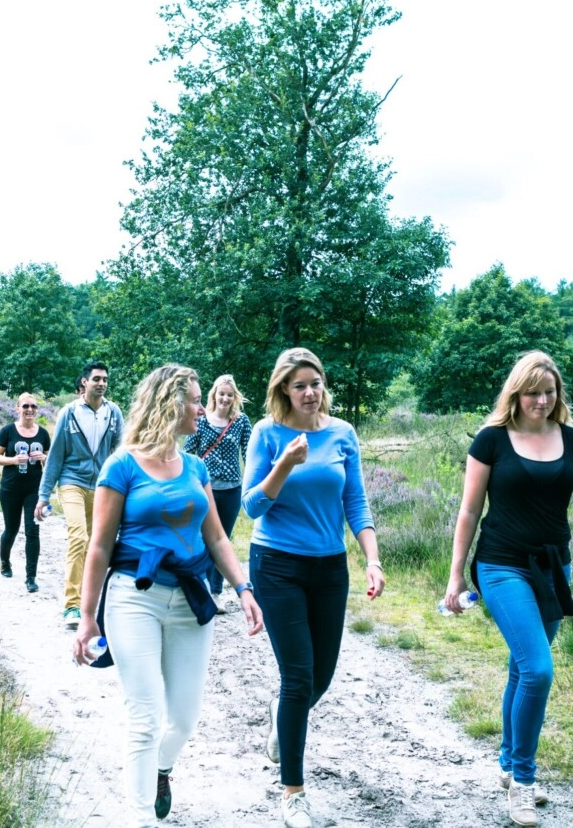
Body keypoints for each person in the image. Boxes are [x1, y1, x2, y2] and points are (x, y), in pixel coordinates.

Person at [72, 364, 264, 828]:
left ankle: (161, 770)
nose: (202, 408)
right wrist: (86, 617)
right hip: (132, 598)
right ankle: (140, 819)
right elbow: (99, 545)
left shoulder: (194, 466)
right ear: (170, 403)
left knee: (182, 720)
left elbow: (217, 538)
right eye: (196, 400)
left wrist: (243, 588)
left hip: (190, 599)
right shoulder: (122, 466)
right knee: (145, 717)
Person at [445, 350, 573, 827]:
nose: (541, 401)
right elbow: (468, 511)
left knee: (522, 669)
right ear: (516, 393)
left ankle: (508, 763)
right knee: (539, 670)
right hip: (502, 565)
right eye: (532, 393)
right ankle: (523, 781)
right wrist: (455, 574)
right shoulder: (491, 440)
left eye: (549, 392)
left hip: (553, 568)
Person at [242, 347, 384, 828]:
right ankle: (293, 792)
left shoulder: (343, 433)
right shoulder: (266, 433)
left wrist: (372, 559)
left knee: (320, 677)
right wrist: (283, 464)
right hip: (277, 565)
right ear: (284, 388)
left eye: (316, 383)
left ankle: (283, 713)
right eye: (300, 384)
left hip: (330, 568)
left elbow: (356, 504)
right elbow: (252, 507)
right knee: (299, 676)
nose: (309, 392)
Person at [36, 361, 124, 628]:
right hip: (71, 482)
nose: (102, 383)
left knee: (95, 544)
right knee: (79, 537)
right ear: (84, 382)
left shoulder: (114, 413)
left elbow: (120, 454)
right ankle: (71, 605)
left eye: (105, 379)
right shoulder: (69, 413)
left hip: (101, 487)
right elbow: (56, 455)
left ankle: (89, 601)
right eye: (97, 379)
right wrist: (44, 495)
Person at [183, 373, 252, 612]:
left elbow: (250, 454)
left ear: (235, 398)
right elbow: (188, 453)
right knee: (202, 539)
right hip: (205, 488)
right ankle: (198, 586)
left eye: (229, 395)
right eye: (221, 394)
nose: (225, 398)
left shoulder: (241, 422)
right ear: (214, 395)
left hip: (232, 489)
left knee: (223, 539)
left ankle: (215, 592)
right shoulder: (201, 421)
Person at [0, 393, 51, 588]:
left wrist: (43, 457)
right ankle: (5, 562)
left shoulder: (43, 433)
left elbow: (51, 459)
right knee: (11, 530)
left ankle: (31, 577)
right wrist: (13, 460)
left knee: (33, 531)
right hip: (10, 488)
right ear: (18, 409)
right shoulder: (7, 431)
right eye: (25, 406)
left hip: (34, 489)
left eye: (33, 406)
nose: (30, 410)